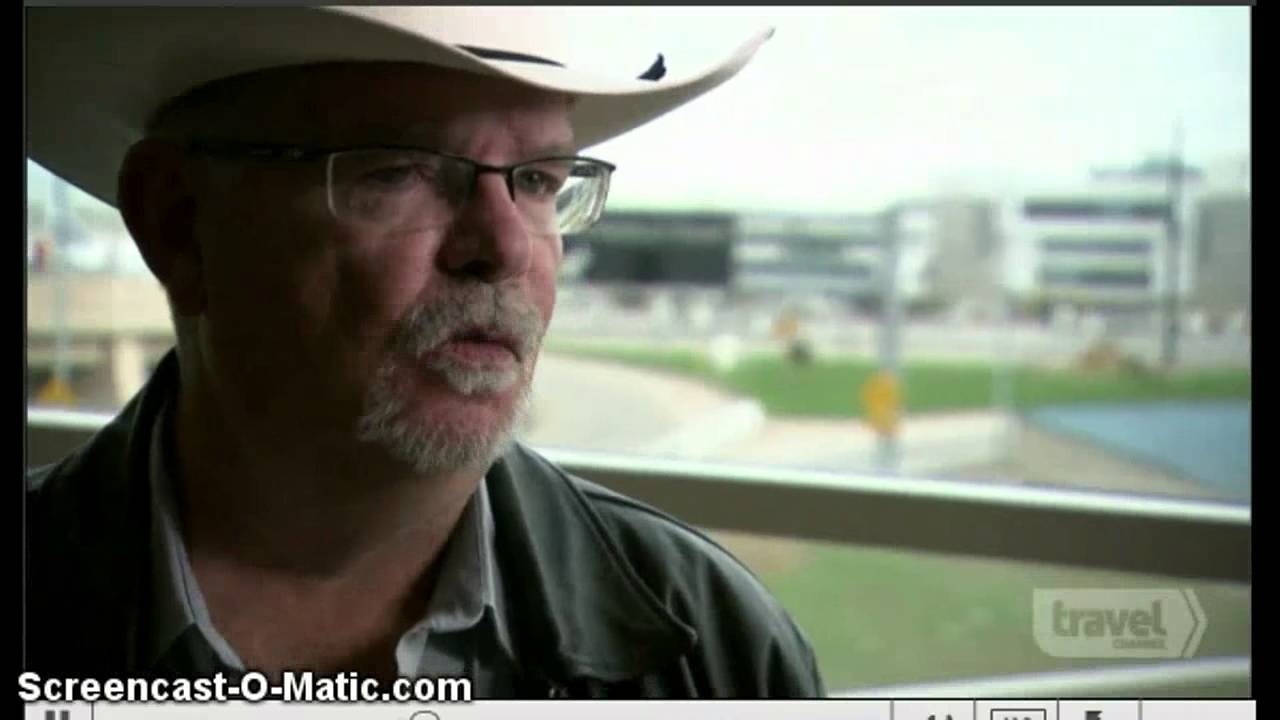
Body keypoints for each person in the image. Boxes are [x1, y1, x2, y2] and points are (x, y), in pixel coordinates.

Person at [25, 7, 824, 697]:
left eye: (540, 180)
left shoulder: (712, 644)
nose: (506, 246)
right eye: (402, 171)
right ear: (178, 222)